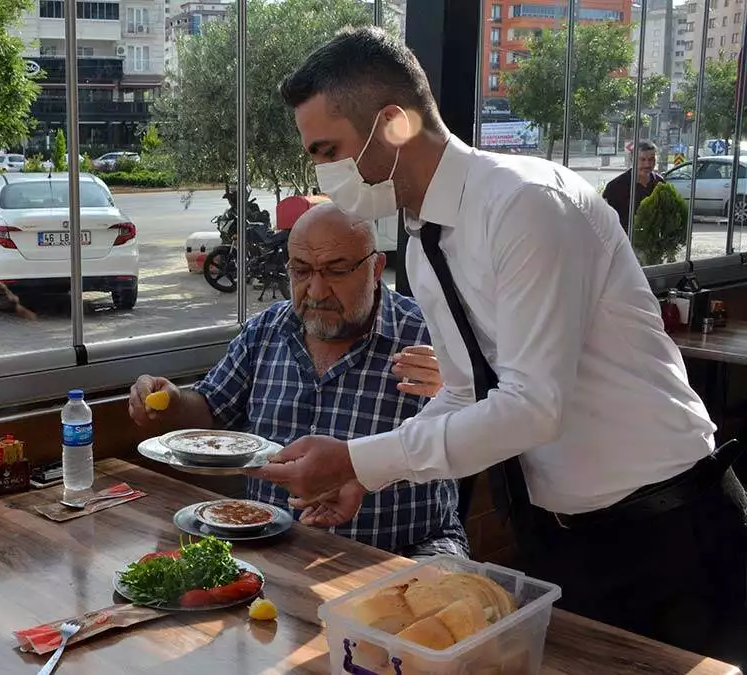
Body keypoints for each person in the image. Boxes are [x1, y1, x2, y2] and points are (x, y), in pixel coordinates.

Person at [253, 26, 747, 662]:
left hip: (671, 528)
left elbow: (531, 407)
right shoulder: (424, 244)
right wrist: (366, 477)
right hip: (561, 537)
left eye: (329, 150)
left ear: (395, 124)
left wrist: (359, 459)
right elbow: (462, 392)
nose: (323, 173)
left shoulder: (526, 205)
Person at [129, 203, 466, 559]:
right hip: (269, 543)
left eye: (336, 271)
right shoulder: (266, 330)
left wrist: (460, 393)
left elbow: (494, 424)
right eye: (301, 271)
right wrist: (170, 402)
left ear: (376, 267)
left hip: (407, 550)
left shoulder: (432, 337)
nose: (316, 291)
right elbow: (212, 410)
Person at [601, 140, 664, 232]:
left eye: (651, 159)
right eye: (642, 159)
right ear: (632, 160)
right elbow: (605, 219)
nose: (647, 164)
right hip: (624, 241)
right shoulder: (615, 187)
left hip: (652, 242)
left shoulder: (660, 184)